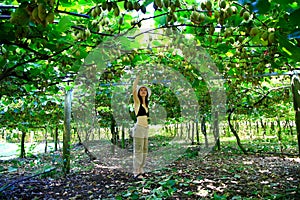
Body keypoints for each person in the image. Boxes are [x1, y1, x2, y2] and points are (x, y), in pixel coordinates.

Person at [132, 74, 151, 179]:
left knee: (144, 149)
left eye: (145, 90)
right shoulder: (137, 103)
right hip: (139, 128)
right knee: (138, 150)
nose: (143, 91)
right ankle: (136, 172)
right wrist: (138, 77)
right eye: (141, 90)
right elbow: (133, 90)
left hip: (145, 129)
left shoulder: (146, 104)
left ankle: (141, 169)